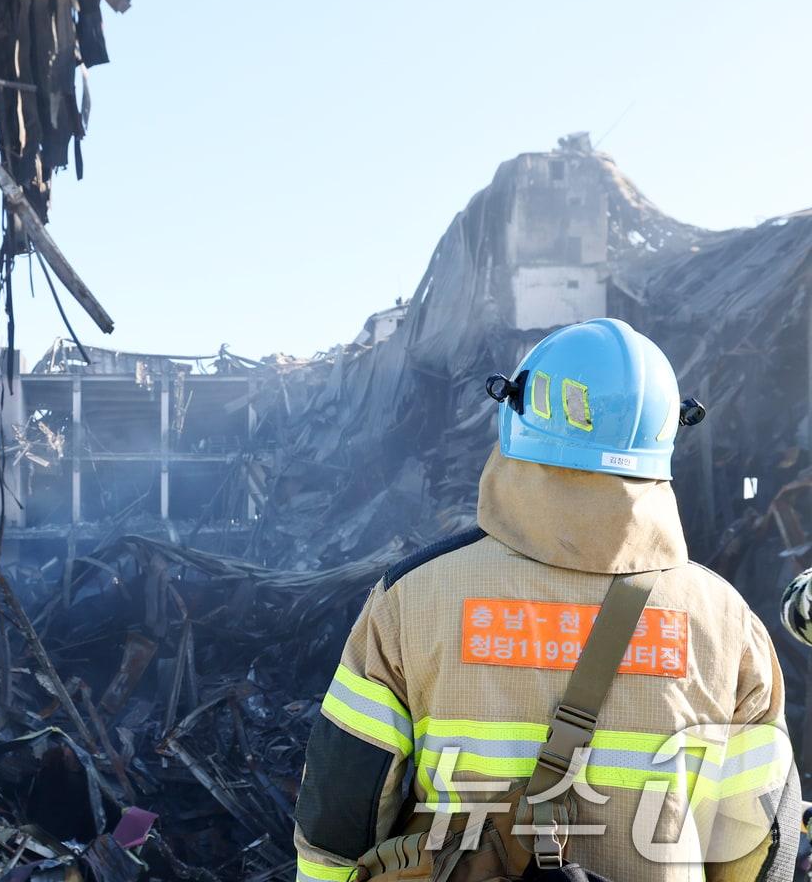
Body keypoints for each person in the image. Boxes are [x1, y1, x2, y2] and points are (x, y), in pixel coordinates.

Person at [293, 318, 800, 882]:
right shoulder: (727, 622)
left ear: (516, 412)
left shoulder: (412, 598)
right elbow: (763, 841)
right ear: (665, 435)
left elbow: (339, 813)